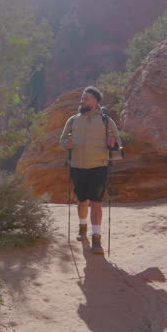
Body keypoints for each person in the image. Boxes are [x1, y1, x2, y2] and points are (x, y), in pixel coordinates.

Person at [59, 86, 121, 255]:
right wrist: (66, 145)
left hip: (99, 167)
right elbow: (63, 140)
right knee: (81, 201)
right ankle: (82, 227)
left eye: (85, 98)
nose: (82, 101)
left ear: (95, 101)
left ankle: (96, 238)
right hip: (77, 166)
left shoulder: (106, 120)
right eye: (82, 98)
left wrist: (112, 143)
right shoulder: (73, 120)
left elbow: (118, 144)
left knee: (96, 203)